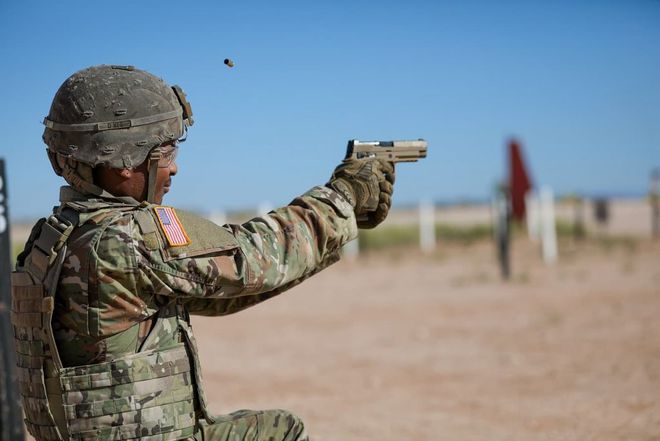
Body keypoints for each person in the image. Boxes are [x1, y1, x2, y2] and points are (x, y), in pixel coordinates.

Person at [11, 65, 395, 441]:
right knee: (282, 431)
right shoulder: (130, 236)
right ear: (125, 163)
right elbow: (250, 259)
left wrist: (338, 228)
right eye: (165, 153)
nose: (174, 168)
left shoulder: (52, 240)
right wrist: (343, 197)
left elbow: (218, 289)